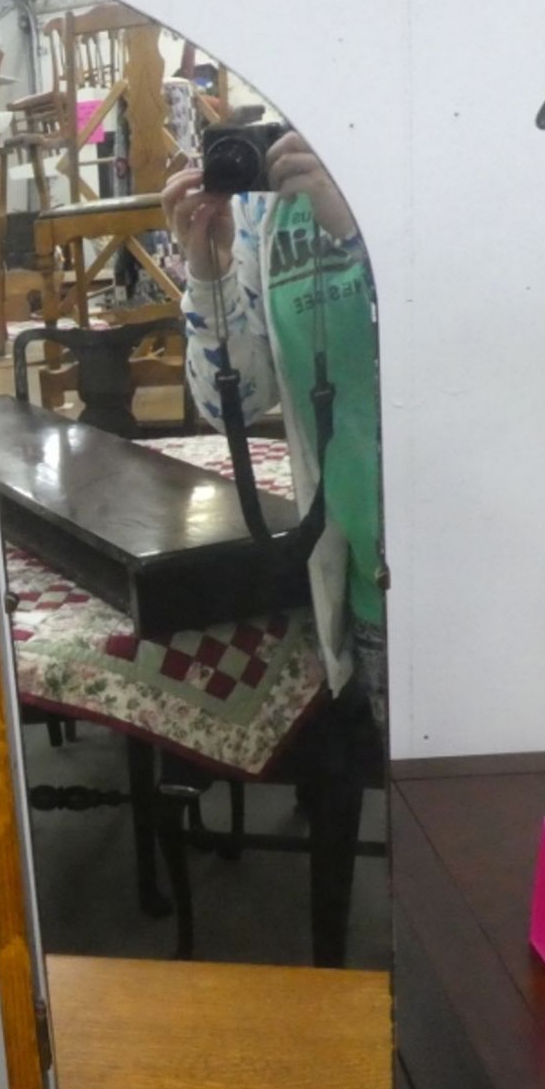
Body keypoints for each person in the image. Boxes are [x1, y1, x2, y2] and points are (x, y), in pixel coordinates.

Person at [161, 130, 385, 720]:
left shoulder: (415, 162)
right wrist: (210, 277)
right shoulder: (267, 204)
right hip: (367, 579)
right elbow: (233, 404)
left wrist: (355, 234)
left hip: (478, 568)